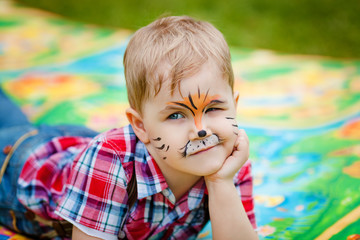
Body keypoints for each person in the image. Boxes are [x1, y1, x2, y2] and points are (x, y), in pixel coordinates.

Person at [0, 16, 257, 240]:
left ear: (233, 105)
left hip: (75, 143)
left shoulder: (231, 161)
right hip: (16, 166)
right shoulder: (109, 162)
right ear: (140, 126)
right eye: (177, 114)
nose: (201, 131)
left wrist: (219, 182)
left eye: (213, 109)